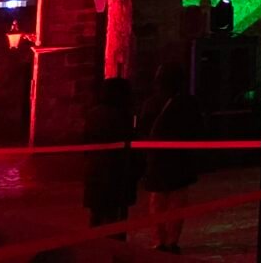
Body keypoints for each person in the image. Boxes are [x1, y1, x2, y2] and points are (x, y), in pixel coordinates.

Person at [138, 63, 202, 254]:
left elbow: (142, 129)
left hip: (157, 159)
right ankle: (172, 240)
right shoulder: (188, 103)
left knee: (157, 202)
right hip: (179, 159)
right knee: (177, 201)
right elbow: (196, 129)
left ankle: (159, 240)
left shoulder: (151, 103)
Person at [84, 77, 138, 234]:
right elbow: (128, 142)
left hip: (95, 172)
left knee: (96, 216)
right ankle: (114, 254)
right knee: (115, 220)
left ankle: (96, 251)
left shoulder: (93, 114)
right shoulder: (121, 115)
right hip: (116, 174)